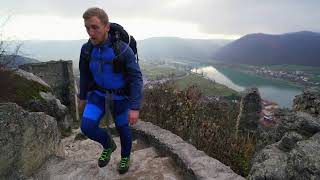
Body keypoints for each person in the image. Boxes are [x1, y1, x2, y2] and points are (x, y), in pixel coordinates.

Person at [78, 7, 143, 174]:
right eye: (87, 27)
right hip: (98, 95)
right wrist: (83, 96)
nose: (90, 32)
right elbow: (84, 74)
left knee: (123, 129)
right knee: (87, 126)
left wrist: (135, 107)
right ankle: (108, 145)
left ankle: (125, 157)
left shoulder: (122, 50)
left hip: (121, 99)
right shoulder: (87, 49)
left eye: (95, 27)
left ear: (106, 27)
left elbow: (136, 78)